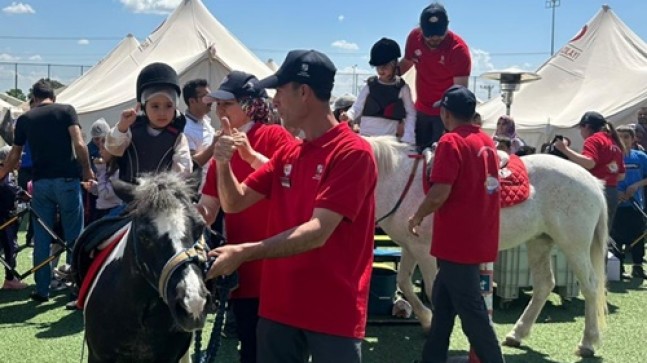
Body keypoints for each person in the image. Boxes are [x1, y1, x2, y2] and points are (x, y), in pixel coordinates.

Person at [206, 49, 376, 363]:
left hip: (332, 311)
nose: (274, 101)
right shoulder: (290, 154)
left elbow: (318, 232)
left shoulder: (353, 152)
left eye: (280, 92)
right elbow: (234, 202)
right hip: (279, 308)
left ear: (304, 92)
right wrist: (223, 163)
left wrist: (245, 251)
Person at [196, 70, 294, 363]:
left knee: (280, 351)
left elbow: (291, 182)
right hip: (243, 268)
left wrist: (250, 154)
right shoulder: (220, 154)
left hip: (279, 264)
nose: (219, 110)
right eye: (218, 104)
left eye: (227, 104)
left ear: (250, 105)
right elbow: (207, 209)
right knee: (251, 348)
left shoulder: (275, 135)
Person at [408, 85, 505, 363]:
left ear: (445, 112)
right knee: (443, 303)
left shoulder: (451, 142)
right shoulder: (485, 141)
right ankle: (432, 358)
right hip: (478, 236)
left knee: (473, 315)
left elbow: (439, 192)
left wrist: (417, 216)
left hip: (457, 243)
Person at [0, 79, 94, 302]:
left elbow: (14, 155)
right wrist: (87, 171)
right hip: (68, 181)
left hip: (40, 183)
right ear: (54, 96)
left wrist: (2, 174)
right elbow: (80, 144)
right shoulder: (67, 111)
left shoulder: (25, 119)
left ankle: (42, 289)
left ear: (34, 98)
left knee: (41, 236)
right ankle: (77, 287)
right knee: (74, 235)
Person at [400, 3, 471, 150]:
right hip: (420, 109)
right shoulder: (414, 38)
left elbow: (460, 90)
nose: (433, 39)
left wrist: (446, 111)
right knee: (416, 153)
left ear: (447, 26)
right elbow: (406, 63)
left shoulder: (458, 50)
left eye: (439, 34)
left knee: (441, 155)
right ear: (421, 28)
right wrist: (386, 78)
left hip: (445, 115)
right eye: (429, 35)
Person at [106, 62, 192, 183]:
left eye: (168, 106)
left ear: (176, 107)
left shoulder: (177, 136)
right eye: (155, 106)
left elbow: (183, 170)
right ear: (142, 106)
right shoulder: (132, 128)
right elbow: (113, 149)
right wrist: (122, 127)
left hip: (162, 196)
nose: (162, 113)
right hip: (130, 195)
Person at [554, 111, 625, 227]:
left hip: (595, 191)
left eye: (581, 128)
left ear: (586, 126)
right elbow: (621, 175)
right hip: (612, 192)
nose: (581, 132)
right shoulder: (614, 142)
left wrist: (564, 149)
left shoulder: (593, 140)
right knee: (602, 237)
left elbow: (589, 163)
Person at [341, 38, 416, 144]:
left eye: (385, 65)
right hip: (367, 139)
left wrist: (408, 137)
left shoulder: (403, 88)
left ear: (395, 63)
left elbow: (411, 113)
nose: (380, 69)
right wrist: (348, 116)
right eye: (377, 66)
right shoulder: (369, 85)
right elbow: (357, 107)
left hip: (389, 143)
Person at [610, 125, 647, 279]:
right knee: (615, 237)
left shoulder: (641, 157)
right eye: (619, 136)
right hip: (615, 205)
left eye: (626, 137)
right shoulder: (609, 158)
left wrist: (636, 185)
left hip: (635, 205)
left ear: (633, 139)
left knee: (638, 235)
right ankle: (617, 267)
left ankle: (638, 266)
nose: (623, 140)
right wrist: (614, 191)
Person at [0, 146, 29, 290]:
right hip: (4, 218)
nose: (20, 161)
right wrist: (22, 195)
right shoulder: (5, 174)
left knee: (10, 247)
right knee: (11, 247)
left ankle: (10, 278)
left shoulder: (9, 173)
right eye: (18, 157)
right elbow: (9, 191)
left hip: (6, 217)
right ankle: (10, 280)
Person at [81, 119, 122, 220]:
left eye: (103, 148)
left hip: (112, 211)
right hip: (101, 208)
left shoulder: (117, 170)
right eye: (96, 139)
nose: (100, 150)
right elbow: (103, 191)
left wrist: (101, 169)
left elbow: (106, 194)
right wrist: (94, 186)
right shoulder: (89, 150)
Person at [182, 78, 216, 169]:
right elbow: (192, 163)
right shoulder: (186, 129)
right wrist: (215, 145)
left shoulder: (205, 120)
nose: (211, 100)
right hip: (200, 182)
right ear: (192, 101)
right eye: (206, 97)